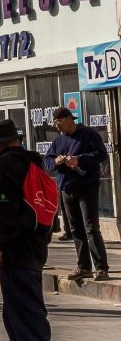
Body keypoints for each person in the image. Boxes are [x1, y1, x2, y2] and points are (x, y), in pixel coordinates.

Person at [0, 119, 55, 341]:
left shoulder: (4, 165)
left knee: (24, 304)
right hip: (36, 242)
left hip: (17, 246)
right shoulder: (33, 163)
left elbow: (3, 210)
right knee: (19, 304)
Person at [44, 107, 110, 282]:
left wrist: (79, 159)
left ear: (68, 119)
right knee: (76, 230)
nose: (57, 127)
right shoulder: (59, 140)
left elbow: (102, 155)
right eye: (54, 123)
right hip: (66, 189)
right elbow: (48, 161)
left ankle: (101, 268)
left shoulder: (88, 134)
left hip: (87, 187)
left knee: (91, 229)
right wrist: (56, 161)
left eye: (58, 122)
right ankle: (84, 267)